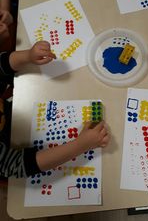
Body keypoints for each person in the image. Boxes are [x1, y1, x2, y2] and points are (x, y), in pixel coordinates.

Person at [0, 40, 110, 178]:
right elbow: (17, 165)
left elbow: (2, 64)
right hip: (16, 141)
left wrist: (28, 55)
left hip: (19, 109)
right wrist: (81, 145)